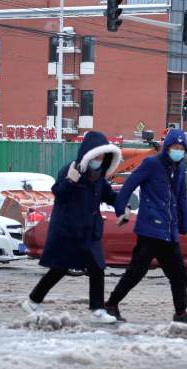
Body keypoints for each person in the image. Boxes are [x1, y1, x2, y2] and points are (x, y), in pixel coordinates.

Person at [21, 131, 121, 324]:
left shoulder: (100, 176)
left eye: (102, 157)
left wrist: (123, 205)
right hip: (68, 230)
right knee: (59, 269)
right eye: (96, 157)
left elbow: (109, 195)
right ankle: (33, 301)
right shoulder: (71, 169)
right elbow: (58, 193)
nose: (98, 161)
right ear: (88, 154)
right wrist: (70, 180)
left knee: (97, 268)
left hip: (89, 231)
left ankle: (98, 310)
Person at [105, 129, 187, 325]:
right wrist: (120, 209)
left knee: (179, 274)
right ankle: (111, 305)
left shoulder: (180, 168)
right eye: (174, 147)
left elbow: (181, 197)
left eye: (181, 148)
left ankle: (181, 313)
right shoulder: (152, 164)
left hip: (169, 231)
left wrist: (184, 224)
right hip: (150, 230)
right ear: (167, 148)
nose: (178, 151)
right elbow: (128, 185)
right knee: (136, 272)